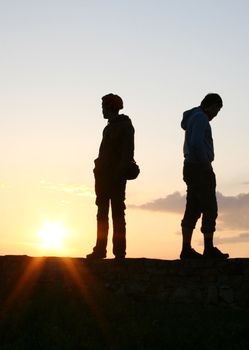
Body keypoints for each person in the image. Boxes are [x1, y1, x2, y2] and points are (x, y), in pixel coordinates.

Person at [180, 93, 229, 260]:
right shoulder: (201, 118)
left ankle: (186, 249)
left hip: (191, 167)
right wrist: (206, 164)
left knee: (193, 207)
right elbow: (196, 143)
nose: (216, 113)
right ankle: (208, 249)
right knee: (209, 207)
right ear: (211, 105)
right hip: (200, 167)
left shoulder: (194, 117)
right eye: (217, 109)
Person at [87, 93, 135, 260]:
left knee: (117, 213)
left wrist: (118, 174)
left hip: (115, 177)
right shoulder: (109, 127)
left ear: (110, 107)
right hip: (103, 177)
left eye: (103, 107)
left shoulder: (125, 126)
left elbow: (127, 153)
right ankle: (100, 250)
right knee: (102, 213)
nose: (102, 111)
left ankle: (119, 252)